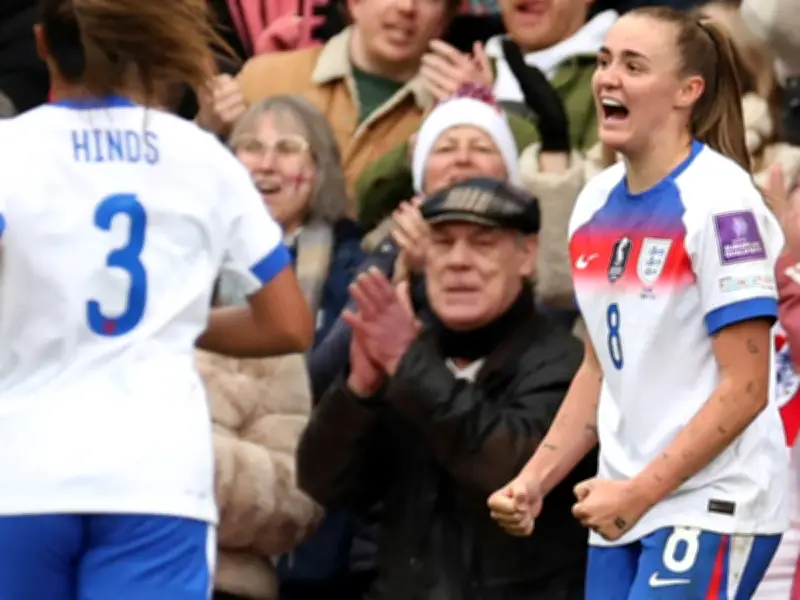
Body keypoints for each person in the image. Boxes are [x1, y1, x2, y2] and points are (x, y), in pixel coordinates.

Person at [0, 0, 314, 599]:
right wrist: (165, 322)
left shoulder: (8, 150)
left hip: (20, 472)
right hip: (155, 478)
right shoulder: (200, 156)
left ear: (41, 44)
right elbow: (289, 325)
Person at [488, 6, 789, 599]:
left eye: (633, 64)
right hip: (622, 500)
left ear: (687, 91)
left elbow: (748, 386)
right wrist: (535, 480)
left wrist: (642, 491)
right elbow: (601, 367)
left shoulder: (721, 202)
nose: (607, 78)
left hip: (712, 503)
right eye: (604, 61)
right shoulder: (594, 203)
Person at [298, 177, 594, 600]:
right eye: (442, 242)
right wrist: (359, 391)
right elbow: (321, 483)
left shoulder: (566, 363)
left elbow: (508, 470)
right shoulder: (406, 353)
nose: (458, 261)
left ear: (527, 255)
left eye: (482, 243)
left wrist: (408, 361)